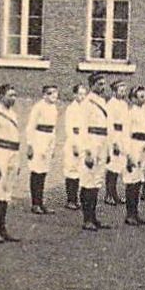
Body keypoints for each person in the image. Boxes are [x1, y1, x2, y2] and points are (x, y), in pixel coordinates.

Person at [0, 84, 22, 242]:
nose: (13, 98)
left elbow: (17, 139)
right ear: (1, 97)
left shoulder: (13, 114)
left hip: (13, 154)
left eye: (14, 95)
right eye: (9, 95)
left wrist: (18, 160)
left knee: (6, 192)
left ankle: (2, 228)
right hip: (0, 154)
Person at [78, 78, 111, 230]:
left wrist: (108, 148)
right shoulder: (87, 103)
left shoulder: (103, 101)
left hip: (102, 142)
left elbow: (108, 127)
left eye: (103, 84)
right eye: (99, 84)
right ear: (91, 86)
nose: (102, 86)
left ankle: (93, 216)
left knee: (97, 180)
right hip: (91, 143)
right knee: (88, 180)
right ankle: (87, 219)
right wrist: (88, 152)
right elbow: (83, 129)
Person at [23, 85, 60, 216]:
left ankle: (41, 202)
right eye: (51, 94)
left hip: (49, 139)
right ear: (44, 95)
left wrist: (53, 146)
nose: (54, 96)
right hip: (39, 139)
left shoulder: (54, 108)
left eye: (56, 94)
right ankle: (35, 203)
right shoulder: (38, 107)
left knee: (43, 172)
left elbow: (54, 128)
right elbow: (30, 126)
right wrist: (30, 145)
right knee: (37, 171)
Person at [121, 86, 145, 226]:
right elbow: (125, 135)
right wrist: (128, 155)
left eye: (144, 96)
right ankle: (130, 214)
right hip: (134, 146)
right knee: (132, 180)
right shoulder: (130, 113)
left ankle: (136, 212)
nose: (143, 99)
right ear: (133, 98)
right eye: (140, 97)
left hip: (144, 146)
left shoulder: (144, 112)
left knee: (139, 179)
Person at [60, 83, 86, 211]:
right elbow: (70, 129)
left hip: (83, 140)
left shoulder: (85, 109)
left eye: (84, 94)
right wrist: (74, 145)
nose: (82, 96)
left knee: (79, 170)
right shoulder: (71, 109)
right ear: (74, 95)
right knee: (72, 170)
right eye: (80, 94)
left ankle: (76, 198)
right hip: (73, 141)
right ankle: (70, 199)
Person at [105, 81, 130, 205]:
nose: (123, 93)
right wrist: (113, 142)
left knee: (120, 164)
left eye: (124, 91)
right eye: (120, 91)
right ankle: (109, 194)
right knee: (112, 166)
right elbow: (109, 125)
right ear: (114, 92)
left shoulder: (124, 104)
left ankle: (114, 194)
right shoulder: (111, 104)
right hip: (114, 135)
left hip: (123, 135)